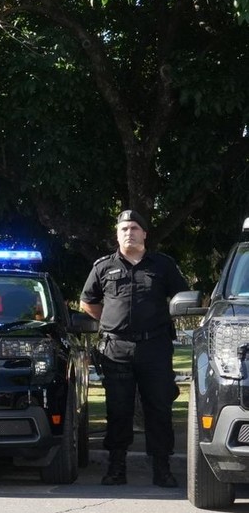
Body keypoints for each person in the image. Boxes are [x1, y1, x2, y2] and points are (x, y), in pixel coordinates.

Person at [81, 209, 188, 488]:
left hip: (155, 347)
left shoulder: (163, 265)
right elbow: (87, 302)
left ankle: (162, 468)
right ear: (117, 235)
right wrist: (110, 322)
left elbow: (183, 297)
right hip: (116, 348)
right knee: (118, 410)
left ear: (145, 233)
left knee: (159, 409)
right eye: (124, 229)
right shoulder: (103, 267)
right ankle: (116, 468)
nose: (129, 233)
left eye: (134, 228)